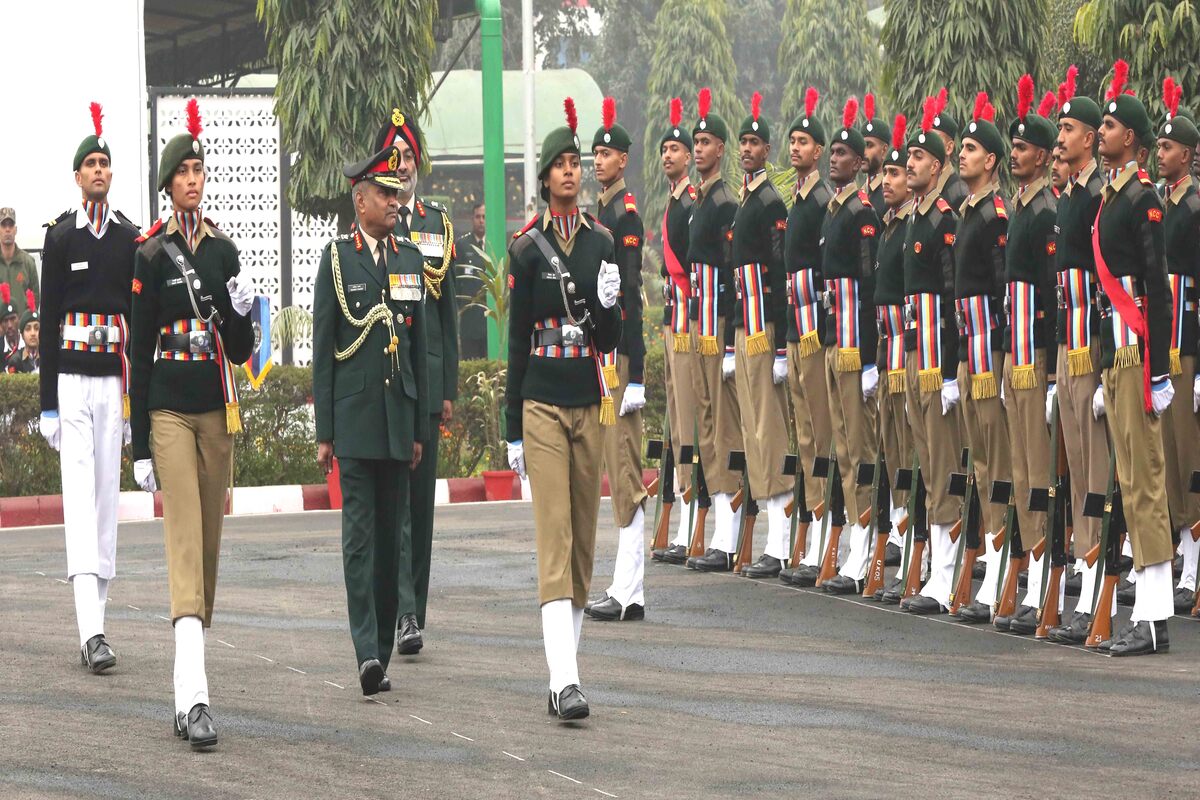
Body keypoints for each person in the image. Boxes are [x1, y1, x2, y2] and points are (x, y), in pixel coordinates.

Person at [129, 99, 255, 747]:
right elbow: (138, 349)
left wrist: (240, 314)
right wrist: (138, 444)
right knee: (183, 544)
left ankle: (185, 694)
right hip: (170, 412)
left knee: (206, 554)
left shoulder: (225, 251)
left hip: (217, 411)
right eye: (183, 171)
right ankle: (195, 699)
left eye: (200, 169)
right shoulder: (150, 256)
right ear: (167, 182)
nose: (194, 179)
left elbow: (238, 351)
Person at [504, 98, 622, 720]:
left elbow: (609, 339)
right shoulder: (525, 250)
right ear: (546, 178)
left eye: (578, 163)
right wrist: (511, 432)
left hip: (589, 400)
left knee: (581, 540)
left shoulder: (603, 243)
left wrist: (608, 307)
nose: (572, 173)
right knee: (553, 533)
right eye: (562, 165)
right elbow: (516, 340)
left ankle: (563, 676)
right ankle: (565, 678)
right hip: (543, 403)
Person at [313, 138, 429, 695]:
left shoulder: (410, 258)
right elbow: (322, 347)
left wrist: (420, 424)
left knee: (390, 542)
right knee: (360, 540)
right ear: (360, 201)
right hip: (356, 421)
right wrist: (325, 434)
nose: (394, 200)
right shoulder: (337, 259)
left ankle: (382, 647)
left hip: (398, 421)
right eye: (384, 193)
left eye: (396, 191)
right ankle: (365, 649)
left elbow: (419, 343)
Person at [36, 103, 140, 672]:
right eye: (90, 164)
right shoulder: (59, 237)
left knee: (106, 498)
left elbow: (137, 320)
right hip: (73, 384)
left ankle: (98, 622)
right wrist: (47, 403)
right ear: (77, 177)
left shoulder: (128, 236)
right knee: (78, 497)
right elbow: (50, 319)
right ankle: (90, 631)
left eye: (105, 163)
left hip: (112, 382)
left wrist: (133, 404)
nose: (99, 170)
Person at [1091, 60, 1175, 655]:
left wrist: (1163, 369)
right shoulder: (1108, 196)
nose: (1102, 133)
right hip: (1115, 358)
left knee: (1144, 483)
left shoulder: (1142, 199)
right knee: (1127, 476)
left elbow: (1158, 284)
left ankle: (1156, 616)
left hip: (1139, 357)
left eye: (1112, 126)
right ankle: (1147, 610)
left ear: (1134, 140)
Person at [375, 108, 456, 655]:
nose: (403, 166)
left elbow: (447, 314)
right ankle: (398, 607)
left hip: (425, 377)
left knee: (420, 507)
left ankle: (413, 614)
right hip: (385, 375)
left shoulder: (435, 224)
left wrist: (448, 388)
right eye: (395, 157)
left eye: (408, 157)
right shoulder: (372, 226)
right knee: (394, 501)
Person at [993, 83, 1062, 632]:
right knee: (1019, 472)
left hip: (1037, 356)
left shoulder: (1045, 211)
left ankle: (1047, 589)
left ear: (1043, 156)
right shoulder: (1019, 208)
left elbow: (1052, 293)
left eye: (1024, 147)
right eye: (1011, 145)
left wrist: (1055, 371)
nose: (1014, 152)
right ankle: (1027, 582)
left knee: (1039, 474)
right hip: (1013, 356)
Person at [1046, 67, 1109, 646]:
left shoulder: (1095, 197)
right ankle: (1084, 589)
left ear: (1090, 138)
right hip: (1068, 348)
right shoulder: (1070, 196)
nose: (1059, 138)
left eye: (1068, 129)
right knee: (1076, 472)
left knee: (1095, 475)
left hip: (1091, 348)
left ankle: (1097, 594)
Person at [947, 91, 1011, 624]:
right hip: (969, 355)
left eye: (970, 148)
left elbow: (1001, 291)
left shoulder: (994, 215)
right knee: (980, 464)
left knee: (998, 464)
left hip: (989, 354)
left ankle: (1004, 571)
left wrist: (1002, 359)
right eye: (961, 147)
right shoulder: (967, 212)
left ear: (990, 161)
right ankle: (991, 566)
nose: (961, 155)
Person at [813, 97, 880, 594]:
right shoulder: (833, 211)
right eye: (831, 152)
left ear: (860, 163)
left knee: (860, 448)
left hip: (857, 346)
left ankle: (866, 548)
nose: (834, 158)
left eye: (843, 153)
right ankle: (854, 543)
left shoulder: (862, 213)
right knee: (841, 446)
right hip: (835, 343)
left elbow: (868, 287)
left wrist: (872, 359)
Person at [899, 96, 963, 615]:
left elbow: (950, 298)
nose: (910, 164)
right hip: (914, 355)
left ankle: (946, 577)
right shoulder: (914, 218)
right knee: (925, 461)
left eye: (918, 158)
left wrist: (948, 371)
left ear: (936, 166)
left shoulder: (944, 218)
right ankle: (934, 569)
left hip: (938, 355)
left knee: (944, 465)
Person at [586, 97, 649, 621]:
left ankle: (630, 589)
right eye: (595, 155)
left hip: (622, 358)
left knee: (626, 465)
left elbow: (631, 293)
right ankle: (625, 584)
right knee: (614, 461)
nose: (598, 162)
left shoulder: (624, 215)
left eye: (607, 155)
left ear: (623, 161)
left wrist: (637, 373)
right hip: (607, 357)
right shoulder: (603, 213)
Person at [727, 92, 792, 579]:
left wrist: (782, 345)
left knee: (770, 432)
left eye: (755, 143)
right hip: (745, 327)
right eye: (743, 142)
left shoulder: (770, 202)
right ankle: (769, 534)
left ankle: (782, 539)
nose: (747, 149)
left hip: (765, 327)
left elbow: (779, 271)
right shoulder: (745, 199)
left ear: (767, 151)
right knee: (752, 429)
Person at [682, 89, 744, 572]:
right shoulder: (699, 200)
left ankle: (729, 535)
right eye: (695, 141)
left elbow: (729, 275)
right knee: (705, 425)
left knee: (723, 428)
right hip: (699, 323)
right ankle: (718, 528)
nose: (698, 148)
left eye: (706, 142)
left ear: (721, 149)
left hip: (718, 323)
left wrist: (727, 343)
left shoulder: (724, 201)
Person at [778, 88, 836, 586]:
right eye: (792, 140)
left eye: (804, 141)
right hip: (797, 332)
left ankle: (828, 535)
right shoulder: (796, 199)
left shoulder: (819, 201)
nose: (795, 148)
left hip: (817, 331)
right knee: (803, 433)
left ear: (819, 151)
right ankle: (815, 530)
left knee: (822, 431)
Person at [1152, 82, 1200, 614]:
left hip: (1187, 347)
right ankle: (1177, 553)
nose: (1159, 154)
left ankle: (1193, 562)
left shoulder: (1194, 206)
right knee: (1164, 454)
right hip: (1160, 348)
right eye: (1158, 147)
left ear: (1187, 154)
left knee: (1189, 457)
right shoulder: (1160, 205)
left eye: (1167, 148)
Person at [650, 97, 700, 563]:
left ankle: (690, 521)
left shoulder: (689, 204)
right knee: (676, 423)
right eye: (664, 149)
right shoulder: (673, 202)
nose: (668, 155)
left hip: (688, 323)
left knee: (688, 424)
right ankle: (683, 516)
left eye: (676, 149)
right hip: (672, 319)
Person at [869, 114, 916, 599]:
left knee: (907, 448)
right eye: (886, 174)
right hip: (888, 351)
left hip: (909, 349)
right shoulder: (888, 227)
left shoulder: (908, 228)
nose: (887, 181)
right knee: (890, 444)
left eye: (895, 174)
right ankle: (901, 532)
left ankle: (910, 537)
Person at [454, 201, 489, 359]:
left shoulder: (494, 243)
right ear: (472, 219)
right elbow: (456, 282)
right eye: (478, 217)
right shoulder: (462, 245)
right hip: (470, 318)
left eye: (484, 217)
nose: (481, 220)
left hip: (491, 319)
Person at [929, 90, 969, 210]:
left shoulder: (959, 192)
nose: (929, 146)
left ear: (949, 147)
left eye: (936, 140)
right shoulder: (922, 186)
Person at [0, 207, 40, 318]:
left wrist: (26, 323)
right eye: (3, 225)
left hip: (21, 331)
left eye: (10, 225)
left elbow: (35, 298)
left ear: (15, 229)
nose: (7, 230)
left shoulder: (28, 262)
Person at [860, 93, 889, 212]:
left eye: (869, 145)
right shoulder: (862, 192)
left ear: (884, 150)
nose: (863, 152)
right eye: (862, 145)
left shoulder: (888, 193)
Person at [5, 295, 39, 373]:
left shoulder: (48, 358)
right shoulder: (15, 360)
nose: (33, 333)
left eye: (37, 328)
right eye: (28, 329)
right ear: (22, 334)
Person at [0, 284, 18, 361]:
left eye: (13, 319)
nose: (10, 325)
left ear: (19, 318)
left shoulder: (29, 344)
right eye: (5, 321)